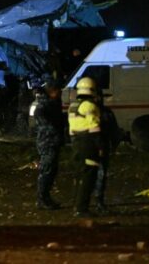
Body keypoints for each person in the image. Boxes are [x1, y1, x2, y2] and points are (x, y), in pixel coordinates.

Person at [67, 76, 102, 218]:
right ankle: (82, 208)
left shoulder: (73, 105)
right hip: (88, 142)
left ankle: (77, 205)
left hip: (76, 142)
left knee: (80, 173)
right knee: (88, 176)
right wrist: (101, 147)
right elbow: (95, 128)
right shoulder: (90, 106)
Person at [33, 78, 65, 210]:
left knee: (51, 170)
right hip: (47, 141)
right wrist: (55, 130)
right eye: (58, 90)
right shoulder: (43, 105)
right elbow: (42, 122)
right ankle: (42, 199)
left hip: (53, 140)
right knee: (46, 170)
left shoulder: (54, 102)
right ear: (52, 91)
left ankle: (45, 197)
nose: (61, 93)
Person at [93, 89, 121, 214]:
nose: (99, 99)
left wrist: (114, 145)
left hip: (102, 148)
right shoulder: (90, 111)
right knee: (91, 176)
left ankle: (99, 201)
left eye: (100, 97)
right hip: (91, 148)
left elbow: (114, 130)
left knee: (101, 175)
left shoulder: (106, 112)